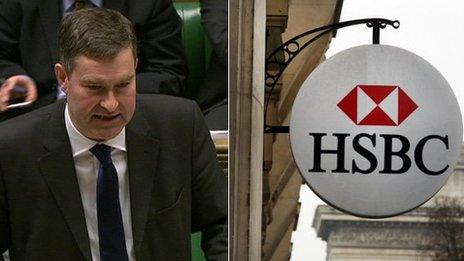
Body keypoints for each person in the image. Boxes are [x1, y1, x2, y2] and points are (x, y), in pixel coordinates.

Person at [0, 8, 227, 260]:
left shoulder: (180, 127)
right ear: (63, 77)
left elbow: (224, 222)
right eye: (95, 88)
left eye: (123, 85)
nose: (111, 104)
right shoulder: (12, 149)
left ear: (135, 69)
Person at [0, 0, 188, 121]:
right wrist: (13, 77)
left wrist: (119, 86)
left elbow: (169, 74)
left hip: (124, 121)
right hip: (36, 116)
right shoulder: (18, 3)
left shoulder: (148, 4)